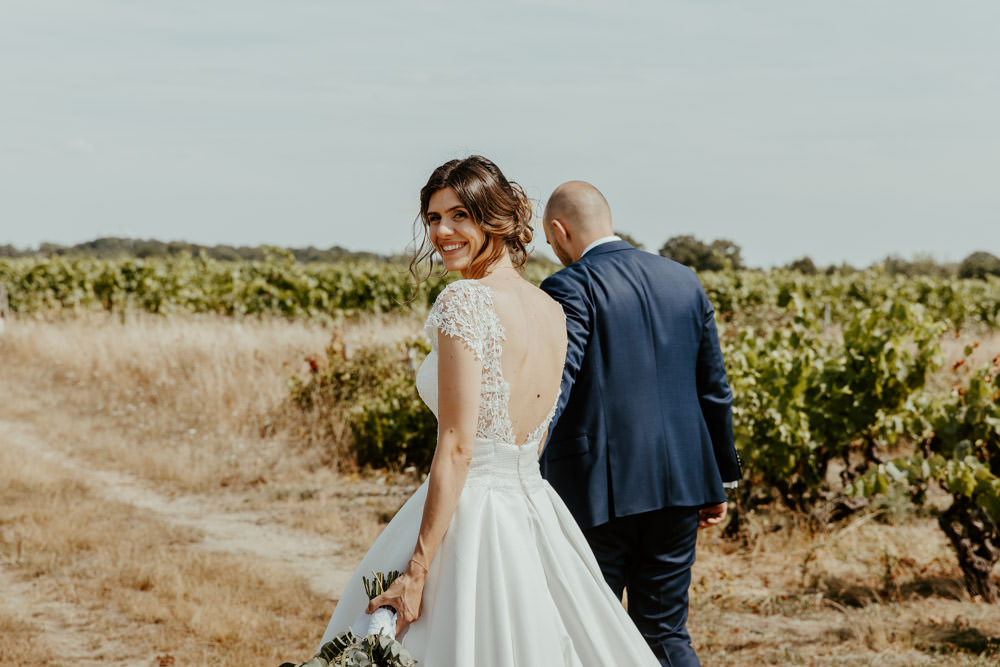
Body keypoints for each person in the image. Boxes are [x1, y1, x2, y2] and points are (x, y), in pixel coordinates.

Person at [318, 157, 660, 666]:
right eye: (434, 218)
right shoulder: (551, 310)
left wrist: (417, 570)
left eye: (459, 215)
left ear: (495, 218)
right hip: (533, 507)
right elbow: (537, 434)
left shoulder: (466, 301)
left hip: (473, 513)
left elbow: (457, 447)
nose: (442, 231)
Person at [538, 181, 742, 667]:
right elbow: (714, 388)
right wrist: (721, 476)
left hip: (598, 493)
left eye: (550, 243)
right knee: (666, 631)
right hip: (682, 487)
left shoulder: (569, 285)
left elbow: (557, 382)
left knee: (590, 631)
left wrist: (522, 457)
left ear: (559, 230)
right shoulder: (683, 279)